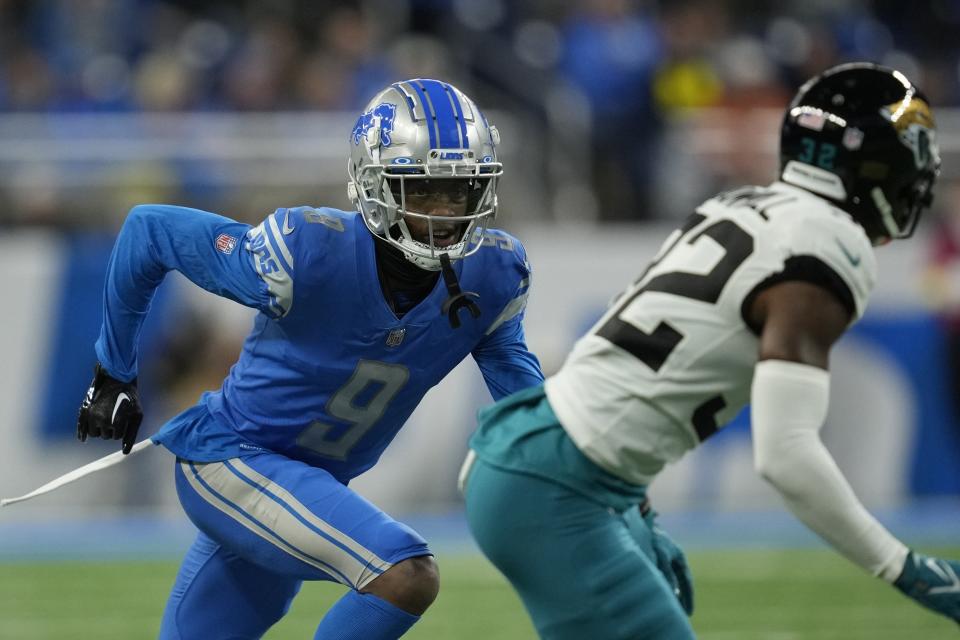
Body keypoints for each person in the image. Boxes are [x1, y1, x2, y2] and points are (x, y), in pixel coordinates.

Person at [461, 62, 958, 639]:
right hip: (555, 483)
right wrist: (902, 566)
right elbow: (786, 455)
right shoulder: (826, 246)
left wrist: (632, 506)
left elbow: (614, 374)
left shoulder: (740, 206)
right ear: (870, 160)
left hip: (542, 458)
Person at [75, 78, 543, 640]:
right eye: (422, 193)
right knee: (403, 573)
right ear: (375, 185)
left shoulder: (493, 275)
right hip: (230, 461)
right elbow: (148, 231)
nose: (443, 213)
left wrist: (594, 486)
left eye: (459, 192)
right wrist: (113, 373)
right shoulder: (306, 251)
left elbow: (529, 410)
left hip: (302, 484)